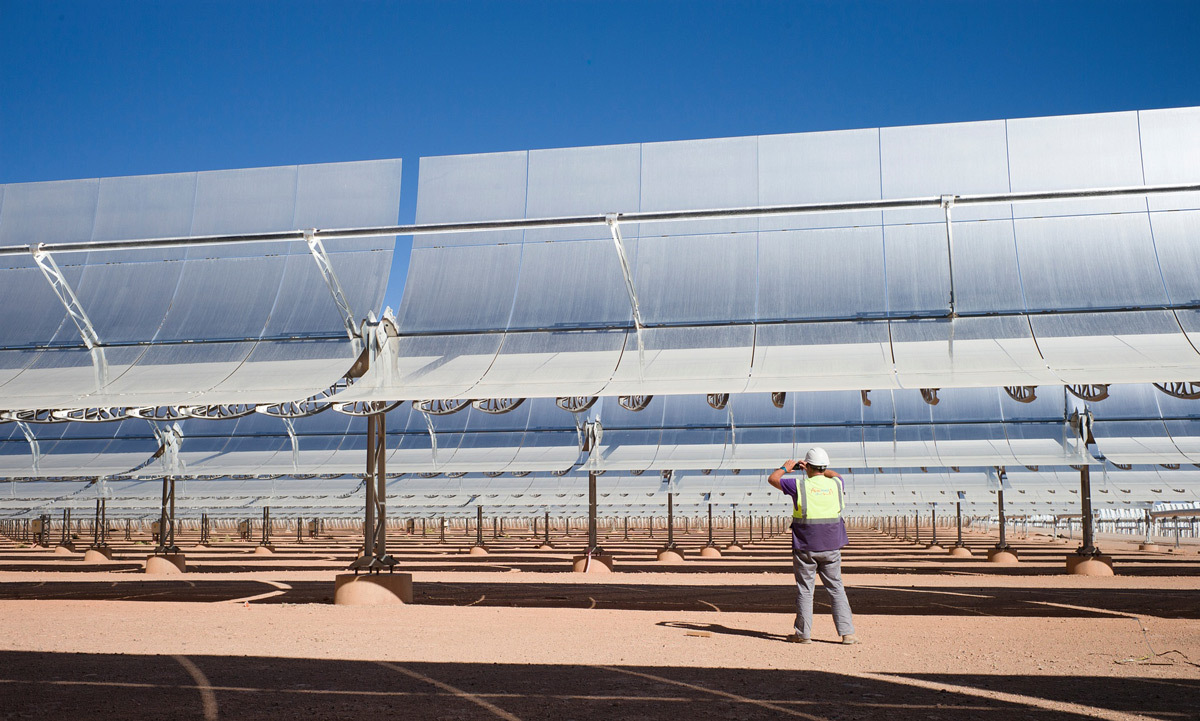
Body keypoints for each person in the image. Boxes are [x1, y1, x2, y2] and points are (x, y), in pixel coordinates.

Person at [768, 447, 859, 645]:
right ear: (824, 466)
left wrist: (786, 467)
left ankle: (803, 635)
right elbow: (835, 474)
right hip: (831, 546)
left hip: (805, 547)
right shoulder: (836, 484)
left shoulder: (799, 486)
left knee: (805, 590)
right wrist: (817, 469)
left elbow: (773, 479)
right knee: (836, 588)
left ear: (807, 466)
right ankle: (848, 634)